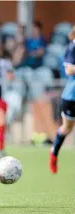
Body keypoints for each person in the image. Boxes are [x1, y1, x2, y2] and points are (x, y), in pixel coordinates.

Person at [49, 26, 75, 174]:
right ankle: (54, 153)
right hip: (72, 96)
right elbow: (69, 70)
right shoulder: (72, 47)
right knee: (67, 128)